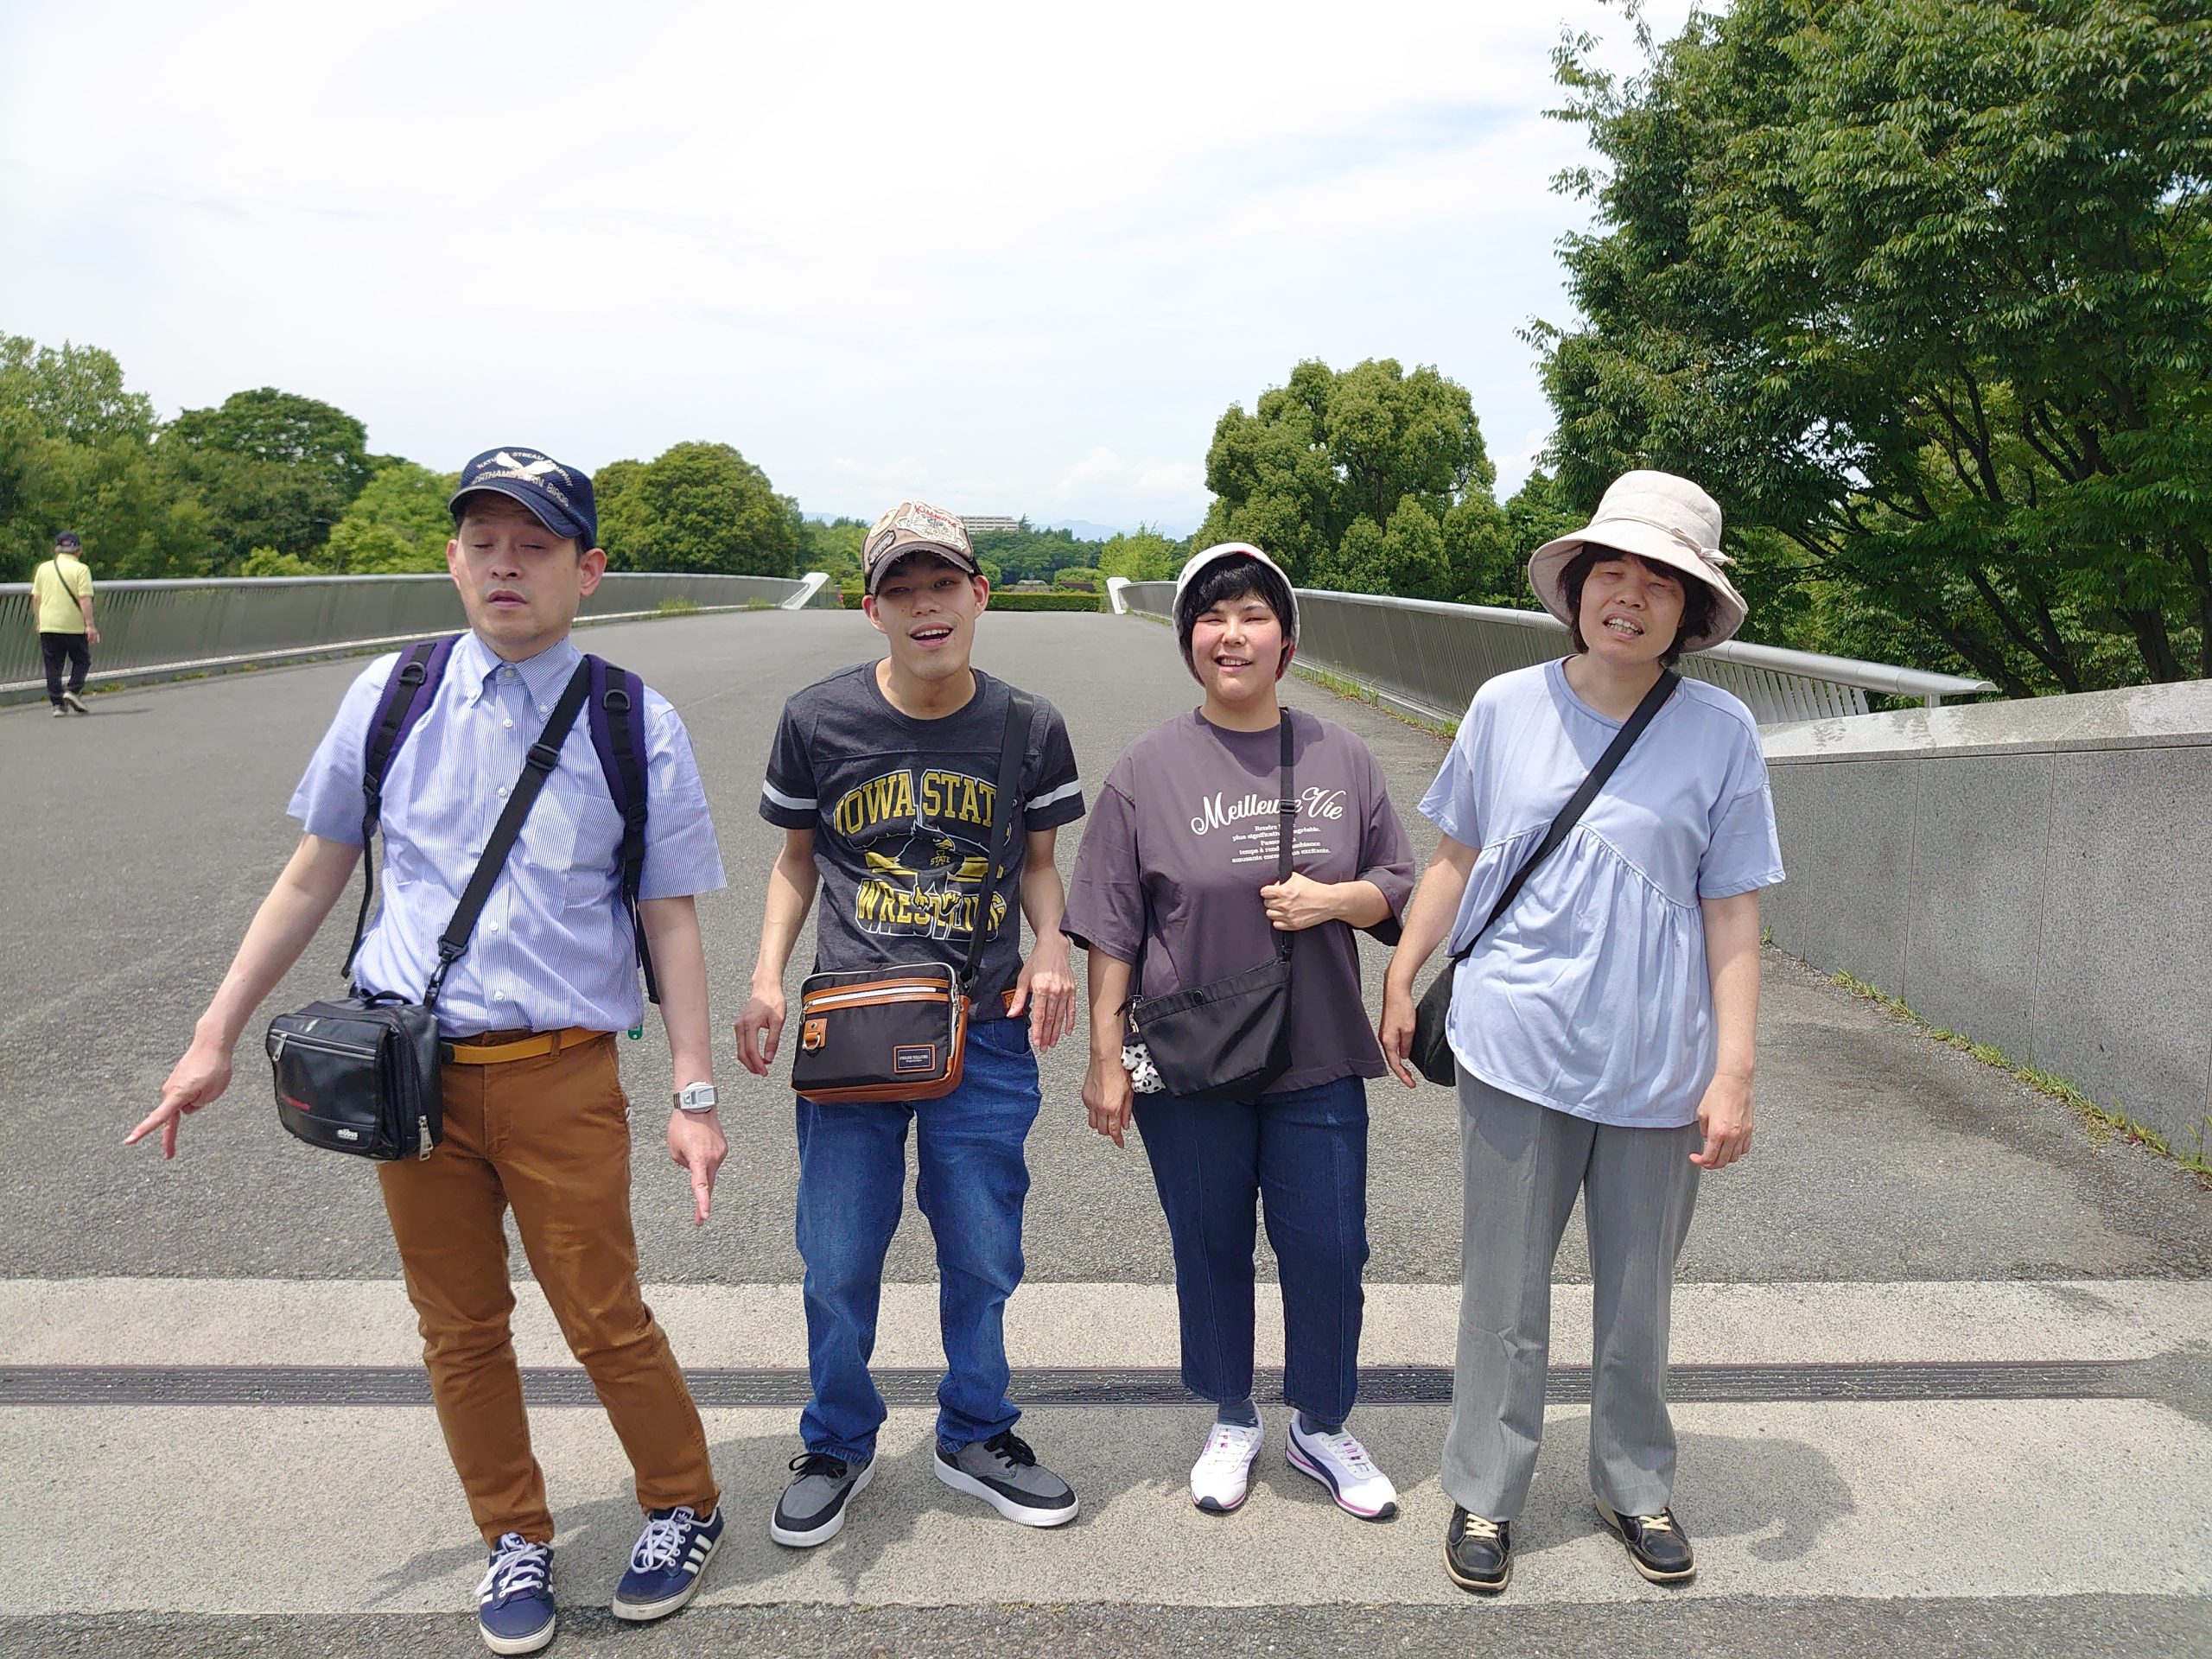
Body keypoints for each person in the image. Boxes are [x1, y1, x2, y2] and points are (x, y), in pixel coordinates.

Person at [126, 448, 734, 1656]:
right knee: (457, 1326)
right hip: (411, 1079)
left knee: (602, 1313)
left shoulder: (630, 717)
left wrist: (694, 1092)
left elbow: (669, 917)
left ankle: (683, 1503)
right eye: (484, 543)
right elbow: (314, 873)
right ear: (453, 559)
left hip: (561, 1071)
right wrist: (211, 1037)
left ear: (588, 571)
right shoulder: (393, 691)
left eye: (536, 546)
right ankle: (514, 1532)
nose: (506, 566)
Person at [1376, 470, 1784, 1595]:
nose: (1631, 595)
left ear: (1689, 611)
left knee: (1637, 1299)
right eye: (1613, 570)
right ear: (1577, 587)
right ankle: (1485, 1490)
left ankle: (1633, 1482)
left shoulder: (1721, 732)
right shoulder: (1504, 706)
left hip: (1658, 1065)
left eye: (1662, 580)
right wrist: (1403, 970)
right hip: (1515, 1044)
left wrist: (1735, 1071)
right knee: (1503, 1294)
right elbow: (1455, 856)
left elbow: (1734, 910)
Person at [739, 499, 1085, 1548]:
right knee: (838, 1254)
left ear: (979, 595)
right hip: (853, 1023)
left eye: (942, 584)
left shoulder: (1028, 726)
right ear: (871, 608)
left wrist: (1054, 944)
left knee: (982, 1251)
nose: (924, 606)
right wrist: (765, 978)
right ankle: (836, 1441)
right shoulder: (817, 720)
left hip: (982, 1027)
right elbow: (796, 862)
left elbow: (1038, 866)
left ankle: (975, 1431)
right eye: (901, 589)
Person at [1064, 543, 1414, 1522]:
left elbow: (1396, 883)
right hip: (1189, 1057)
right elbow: (1111, 923)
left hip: (1317, 1051)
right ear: (1188, 643)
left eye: (1254, 615)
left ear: (1286, 640)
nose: (1232, 635)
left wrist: (1333, 900)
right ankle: (1231, 1415)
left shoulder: (1342, 756)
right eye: (1212, 619)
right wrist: (1104, 1059)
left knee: (1331, 1249)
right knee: (1209, 1244)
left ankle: (1321, 1423)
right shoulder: (1147, 769)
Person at [33, 530, 98, 715]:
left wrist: (39, 622)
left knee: (53, 665)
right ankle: (72, 690)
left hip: (48, 624)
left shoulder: (43, 568)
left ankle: (57, 705)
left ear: (56, 550)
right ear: (79, 551)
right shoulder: (81, 569)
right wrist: (90, 625)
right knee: (82, 660)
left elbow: (36, 598)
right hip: (73, 625)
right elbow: (84, 599)